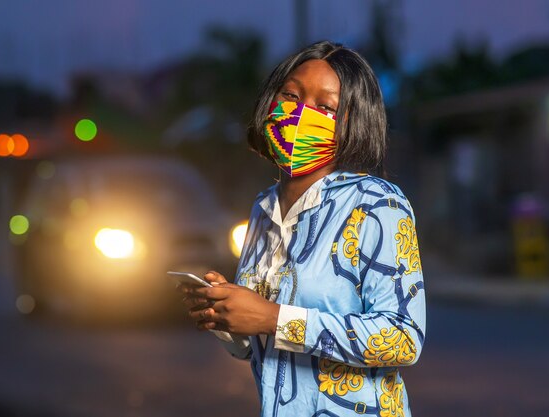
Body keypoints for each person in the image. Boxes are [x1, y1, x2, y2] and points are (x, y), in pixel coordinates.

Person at [179, 41, 426, 417]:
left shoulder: (377, 205)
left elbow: (403, 338)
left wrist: (272, 317)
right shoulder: (263, 210)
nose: (300, 115)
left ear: (353, 121)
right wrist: (226, 316)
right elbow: (257, 346)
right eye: (291, 95)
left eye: (325, 107)